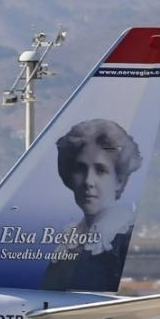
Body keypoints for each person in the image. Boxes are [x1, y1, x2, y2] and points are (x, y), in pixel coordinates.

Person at [40, 118, 142, 291]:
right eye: (80, 169)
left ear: (119, 180)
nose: (88, 181)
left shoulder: (121, 240)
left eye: (101, 170)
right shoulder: (68, 241)